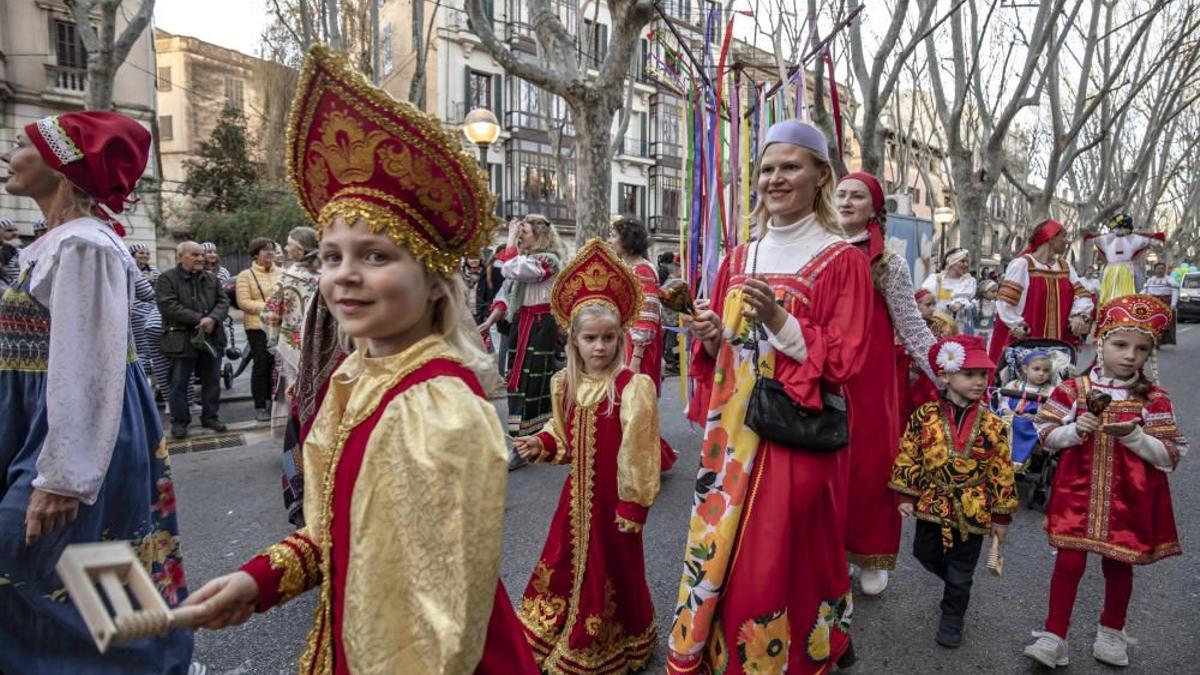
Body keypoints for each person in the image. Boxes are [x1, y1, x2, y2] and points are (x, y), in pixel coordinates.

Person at [178, 45, 537, 673]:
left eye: (375, 255)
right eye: (332, 256)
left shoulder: (439, 408)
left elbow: (433, 628)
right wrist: (261, 580)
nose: (344, 277)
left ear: (433, 283)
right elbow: (339, 533)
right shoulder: (357, 374)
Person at [668, 120, 872, 674]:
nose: (775, 179)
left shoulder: (842, 260)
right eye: (766, 169)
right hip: (731, 435)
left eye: (790, 166)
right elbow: (729, 348)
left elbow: (846, 360)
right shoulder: (738, 258)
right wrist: (713, 337)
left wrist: (781, 319)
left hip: (795, 438)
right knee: (724, 548)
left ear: (820, 175)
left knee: (777, 557)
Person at [0, 110, 192, 672]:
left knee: (50, 561)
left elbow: (89, 363)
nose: (9, 155)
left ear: (62, 166)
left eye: (20, 145)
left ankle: (146, 662)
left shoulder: (84, 245)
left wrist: (62, 477)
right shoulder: (60, 242)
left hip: (70, 435)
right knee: (76, 571)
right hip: (46, 423)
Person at [512, 240, 661, 672]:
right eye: (590, 339)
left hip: (613, 506)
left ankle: (613, 642)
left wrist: (633, 504)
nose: (600, 347)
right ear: (574, 340)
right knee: (561, 561)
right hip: (575, 502)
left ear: (621, 337)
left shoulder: (632, 387)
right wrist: (540, 443)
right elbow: (560, 434)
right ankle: (553, 630)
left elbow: (640, 452)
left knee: (612, 570)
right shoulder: (565, 384)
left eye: (609, 338)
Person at [1024, 295, 1186, 669]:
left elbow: (1171, 454)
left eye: (1141, 349)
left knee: (1118, 565)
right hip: (1076, 493)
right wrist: (1072, 431)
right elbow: (1044, 432)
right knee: (1068, 563)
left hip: (1129, 498)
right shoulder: (1072, 391)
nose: (1130, 355)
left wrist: (1135, 437)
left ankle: (1112, 632)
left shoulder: (1154, 398)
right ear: (1101, 342)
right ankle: (1054, 636)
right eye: (1120, 345)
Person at [835, 172, 937, 595]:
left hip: (872, 383)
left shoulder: (888, 263)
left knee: (871, 468)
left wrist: (945, 370)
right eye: (840, 194)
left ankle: (870, 553)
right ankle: (829, 554)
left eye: (856, 196)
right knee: (825, 468)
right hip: (823, 373)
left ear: (873, 208)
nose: (846, 201)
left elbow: (912, 325)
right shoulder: (817, 251)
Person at [890, 335, 1018, 648]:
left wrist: (1001, 515)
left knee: (963, 569)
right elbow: (909, 453)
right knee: (923, 552)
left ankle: (952, 616)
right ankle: (954, 583)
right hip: (932, 500)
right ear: (945, 375)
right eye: (969, 374)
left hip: (973, 507)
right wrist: (906, 495)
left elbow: (1002, 469)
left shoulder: (993, 424)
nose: (979, 381)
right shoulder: (924, 416)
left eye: (983, 375)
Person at [479, 214, 568, 438]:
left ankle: (533, 436)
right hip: (523, 324)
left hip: (540, 325)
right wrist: (489, 322)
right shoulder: (526, 260)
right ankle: (529, 435)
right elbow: (506, 293)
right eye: (519, 233)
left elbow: (511, 268)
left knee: (531, 381)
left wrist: (509, 239)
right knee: (516, 379)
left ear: (539, 235)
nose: (519, 238)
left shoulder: (547, 261)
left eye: (523, 233)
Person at [261, 226, 322, 526]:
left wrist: (274, 336)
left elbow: (269, 314)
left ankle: (294, 457)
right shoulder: (324, 276)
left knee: (291, 400)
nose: (285, 248)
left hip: (293, 347)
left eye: (289, 244)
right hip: (320, 349)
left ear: (301, 248)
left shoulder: (288, 277)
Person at [609, 215, 677, 471]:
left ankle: (647, 460)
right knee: (629, 404)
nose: (611, 240)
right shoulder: (629, 267)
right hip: (625, 340)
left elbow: (647, 313)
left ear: (627, 240)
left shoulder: (643, 270)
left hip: (638, 344)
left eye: (615, 235)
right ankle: (646, 457)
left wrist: (635, 357)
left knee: (635, 403)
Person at [988, 219, 1094, 365]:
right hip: (1028, 339)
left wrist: (1078, 315)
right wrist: (1016, 325)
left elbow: (1082, 295)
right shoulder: (1023, 265)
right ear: (1050, 239)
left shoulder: (1065, 267)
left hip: (1060, 342)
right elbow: (1006, 302)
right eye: (1063, 237)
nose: (1067, 241)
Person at [157, 241, 230, 438]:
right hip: (181, 339)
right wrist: (199, 319)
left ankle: (210, 417)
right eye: (194, 255)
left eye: (201, 255)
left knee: (212, 380)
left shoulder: (211, 279)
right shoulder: (166, 279)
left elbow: (223, 302)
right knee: (179, 383)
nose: (200, 258)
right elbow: (168, 305)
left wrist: (213, 318)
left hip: (211, 338)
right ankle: (180, 422)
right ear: (180, 257)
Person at [236, 237, 283, 422]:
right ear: (256, 254)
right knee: (262, 365)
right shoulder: (245, 275)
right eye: (265, 250)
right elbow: (244, 302)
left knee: (278, 365)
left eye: (272, 249)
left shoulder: (283, 273)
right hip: (257, 327)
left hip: (280, 326)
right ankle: (260, 405)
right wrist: (271, 308)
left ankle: (275, 403)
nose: (270, 252)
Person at [1084, 213, 1164, 305]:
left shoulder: (1133, 238)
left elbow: (1152, 241)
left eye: (1122, 228)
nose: (1119, 230)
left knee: (1125, 295)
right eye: (1117, 228)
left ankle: (1123, 310)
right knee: (1108, 296)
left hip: (1125, 271)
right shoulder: (1106, 239)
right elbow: (1091, 239)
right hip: (1110, 271)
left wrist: (1154, 237)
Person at [998, 351, 1058, 470]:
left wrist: (1036, 417)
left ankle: (1018, 462)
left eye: (1046, 371)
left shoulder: (1050, 391)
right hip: (1010, 418)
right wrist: (1007, 411)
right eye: (1036, 369)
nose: (1041, 373)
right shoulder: (1013, 385)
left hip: (1033, 422)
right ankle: (1001, 458)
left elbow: (1052, 411)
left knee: (1023, 425)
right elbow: (1002, 400)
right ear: (1025, 369)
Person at [129, 242, 171, 396]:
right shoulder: (129, 270)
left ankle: (156, 385)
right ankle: (143, 385)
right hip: (134, 314)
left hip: (152, 312)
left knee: (153, 351)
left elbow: (161, 291)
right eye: (141, 252)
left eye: (147, 253)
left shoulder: (154, 271)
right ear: (133, 255)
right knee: (142, 349)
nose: (145, 255)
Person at [922, 248, 977, 332]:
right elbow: (925, 300)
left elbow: (966, 299)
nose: (966, 265)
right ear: (951, 261)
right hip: (938, 326)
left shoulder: (968, 281)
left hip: (959, 328)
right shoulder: (935, 279)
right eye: (962, 261)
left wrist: (959, 304)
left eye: (967, 262)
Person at [1144, 261, 1178, 346]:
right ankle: (1153, 340)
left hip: (1165, 303)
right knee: (1152, 323)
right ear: (1155, 270)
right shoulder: (1150, 280)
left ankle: (1160, 340)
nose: (1161, 270)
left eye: (1162, 268)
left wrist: (1173, 304)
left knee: (1163, 323)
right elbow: (1145, 291)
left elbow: (1175, 291)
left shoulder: (1170, 280)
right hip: (1153, 303)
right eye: (1159, 268)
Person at [0, 217, 20, 287]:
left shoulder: (21, 251)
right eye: (9, 230)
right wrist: (9, 247)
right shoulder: (8, 249)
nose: (15, 233)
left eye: (16, 230)